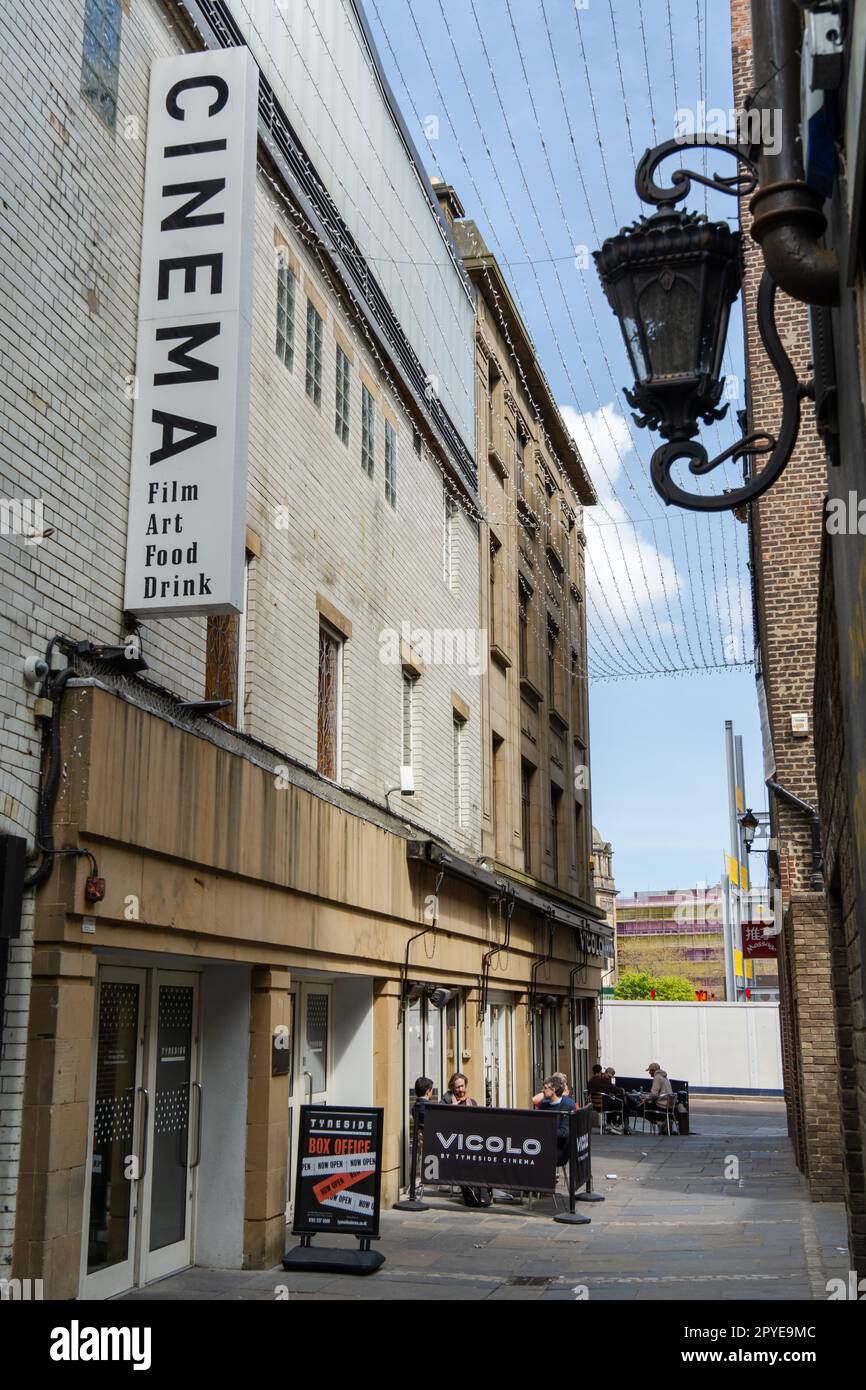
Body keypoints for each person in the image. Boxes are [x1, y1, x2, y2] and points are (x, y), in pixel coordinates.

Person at [442, 1073, 493, 1207]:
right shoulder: (446, 1101)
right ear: (452, 1087)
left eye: (462, 1086)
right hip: (454, 1144)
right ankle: (475, 1193)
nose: (460, 1090)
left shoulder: (472, 1102)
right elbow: (441, 1120)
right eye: (457, 1087)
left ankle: (482, 1194)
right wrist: (454, 1107)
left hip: (471, 1142)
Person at [538, 1076, 577, 1168]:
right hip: (542, 1145)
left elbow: (564, 1133)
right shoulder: (543, 1104)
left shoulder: (568, 1105)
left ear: (553, 1090)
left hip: (559, 1149)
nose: (542, 1090)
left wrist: (543, 1132)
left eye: (545, 1087)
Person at [636, 1062, 675, 1133]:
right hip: (668, 1107)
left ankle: (660, 1123)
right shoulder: (665, 1077)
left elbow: (654, 1095)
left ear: (653, 1070)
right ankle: (664, 1122)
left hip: (661, 1106)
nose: (649, 1073)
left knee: (640, 1108)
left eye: (650, 1071)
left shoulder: (657, 1077)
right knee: (646, 1104)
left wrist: (645, 1099)